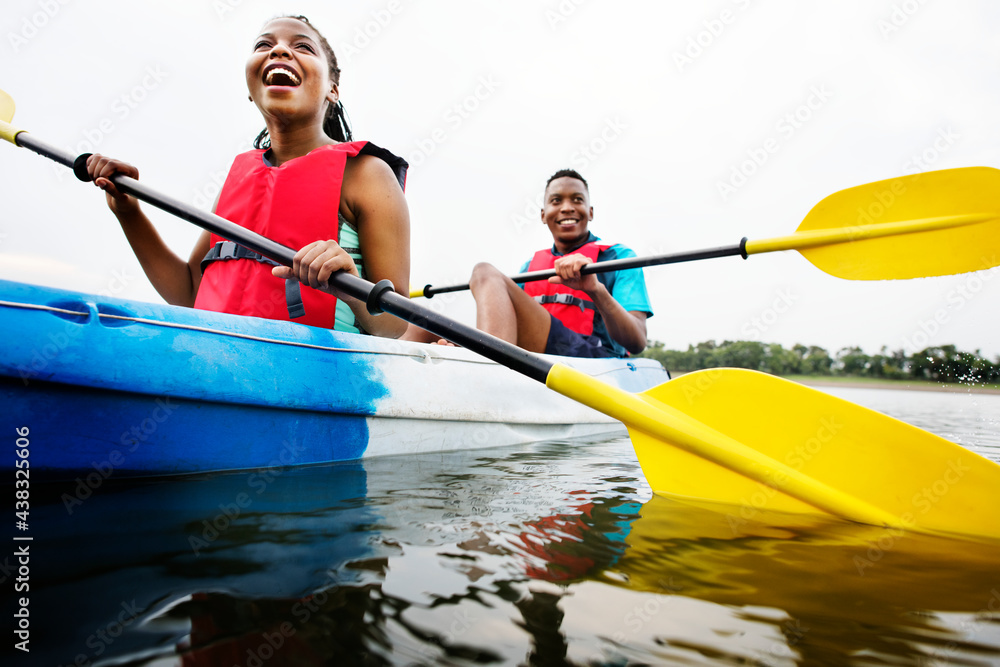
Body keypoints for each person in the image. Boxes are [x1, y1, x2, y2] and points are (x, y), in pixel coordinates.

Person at [85, 15, 410, 338]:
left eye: (302, 46)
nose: (279, 51)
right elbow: (189, 293)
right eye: (264, 44)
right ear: (251, 90)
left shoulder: (368, 174)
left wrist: (351, 286)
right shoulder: (238, 179)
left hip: (318, 376)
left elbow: (394, 325)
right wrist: (128, 213)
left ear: (332, 90)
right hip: (216, 369)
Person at [406, 169, 651, 357]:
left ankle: (483, 371)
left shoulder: (619, 257)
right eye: (556, 201)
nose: (567, 208)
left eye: (577, 200)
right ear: (543, 215)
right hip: (538, 357)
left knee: (484, 272)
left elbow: (637, 341)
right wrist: (464, 343)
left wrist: (596, 290)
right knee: (422, 325)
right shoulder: (531, 267)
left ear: (590, 211)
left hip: (594, 361)